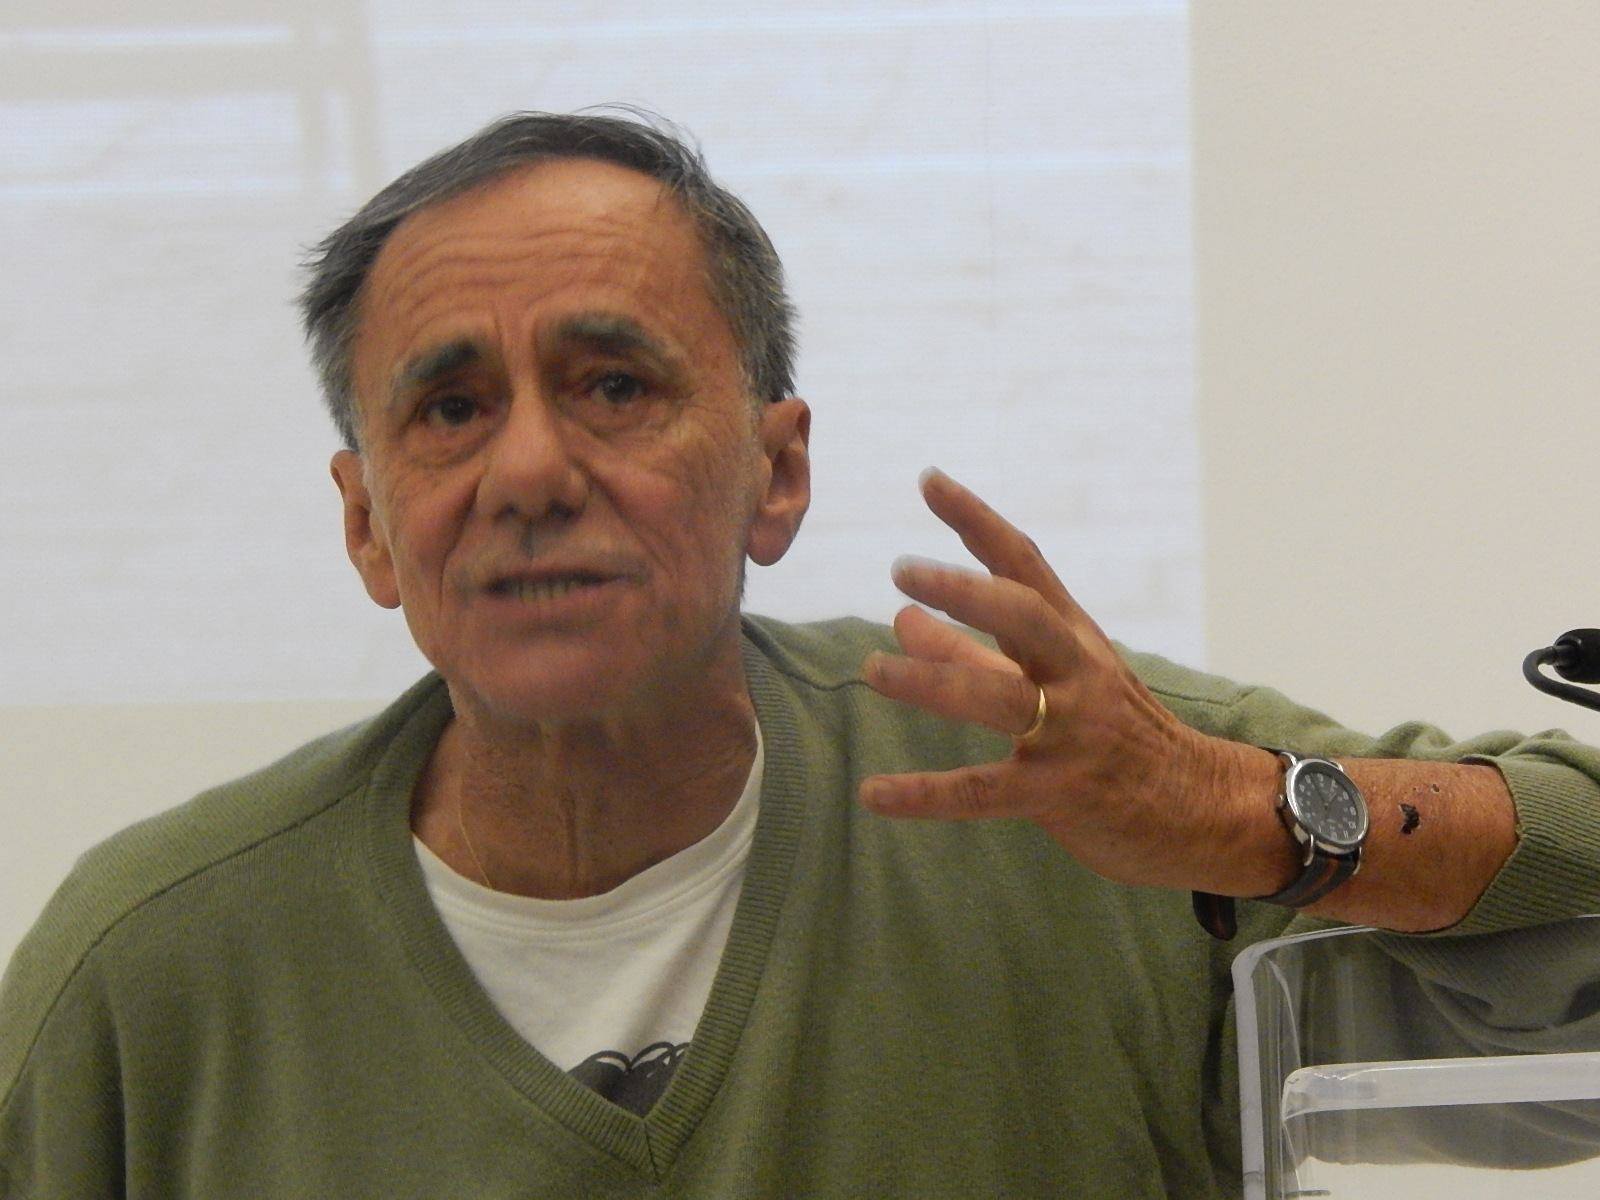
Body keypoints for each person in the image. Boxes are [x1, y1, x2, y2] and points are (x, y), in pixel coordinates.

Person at [3, 110, 1598, 1199]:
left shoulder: (1076, 797)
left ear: (778, 473)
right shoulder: (147, 980)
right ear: (368, 525)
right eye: (451, 407)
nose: (531, 469)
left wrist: (1241, 815)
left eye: (613, 386)